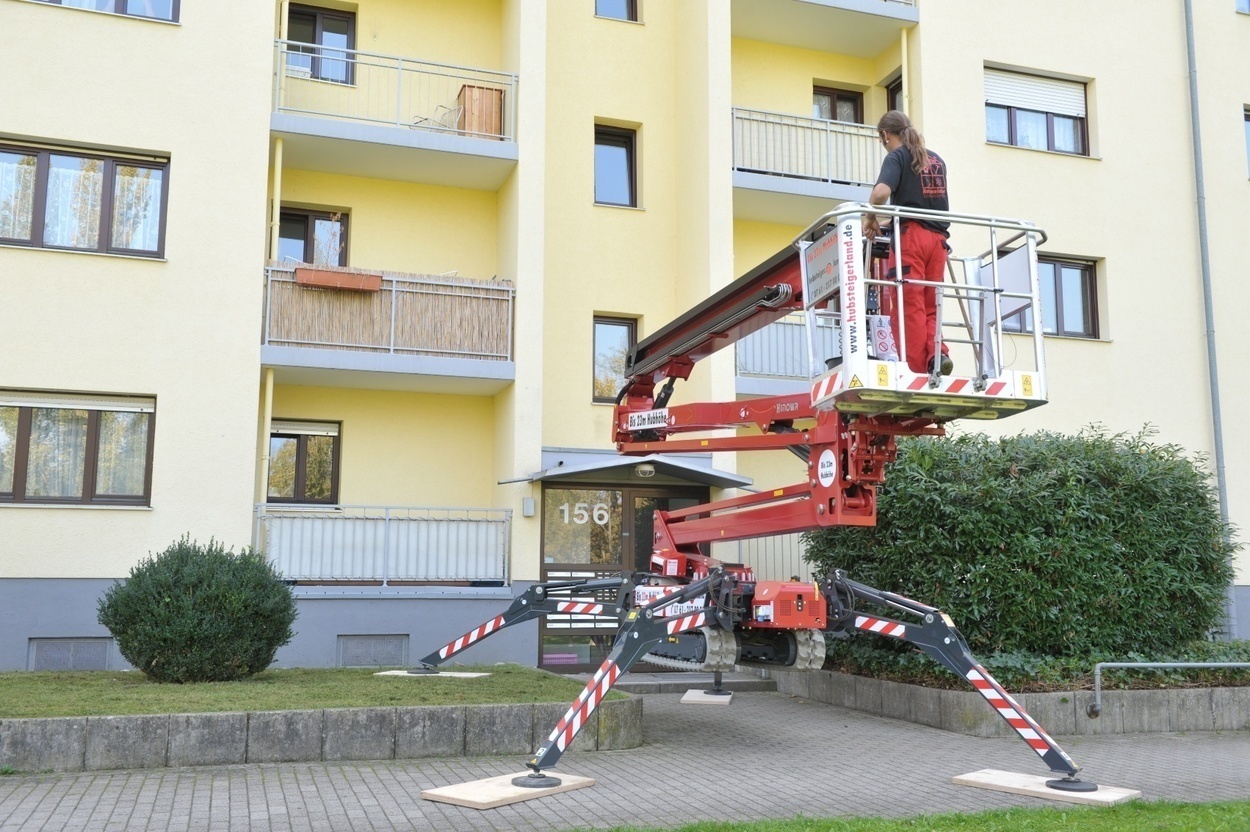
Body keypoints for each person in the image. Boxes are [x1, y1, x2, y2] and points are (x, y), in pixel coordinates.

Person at [863, 110, 952, 376]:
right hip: (938, 242)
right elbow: (920, 206)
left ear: (885, 135)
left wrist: (870, 217)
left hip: (911, 240)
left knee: (908, 304)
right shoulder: (935, 160)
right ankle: (937, 355)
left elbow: (881, 193)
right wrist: (889, 221)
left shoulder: (897, 156)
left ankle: (916, 371)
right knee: (931, 305)